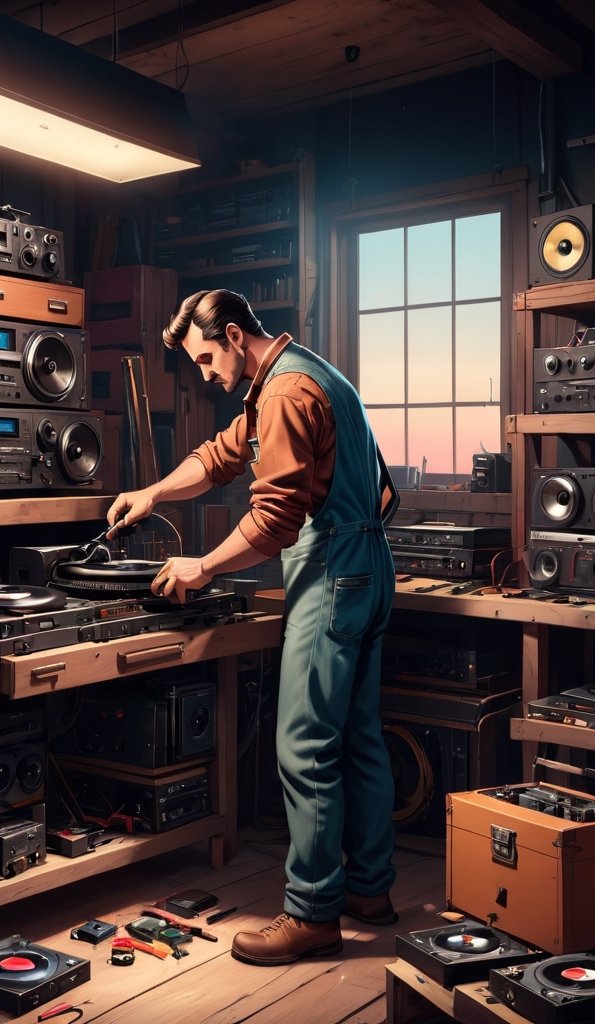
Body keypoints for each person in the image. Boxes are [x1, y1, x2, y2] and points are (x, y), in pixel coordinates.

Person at [105, 288, 398, 966]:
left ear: (236, 336)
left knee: (303, 745)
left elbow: (274, 522)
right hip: (371, 568)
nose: (205, 375)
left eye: (207, 359)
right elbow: (218, 457)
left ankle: (312, 915)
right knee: (357, 737)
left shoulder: (286, 395)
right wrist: (152, 492)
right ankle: (370, 891)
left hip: (334, 573)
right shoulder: (301, 374)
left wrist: (202, 566)